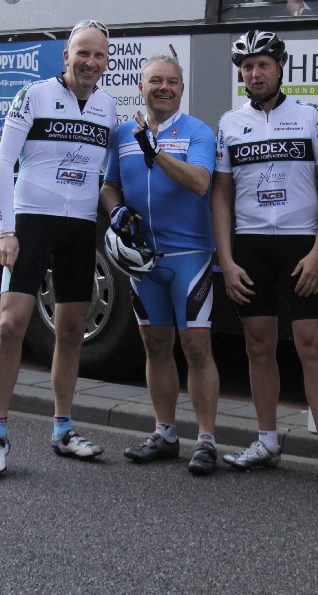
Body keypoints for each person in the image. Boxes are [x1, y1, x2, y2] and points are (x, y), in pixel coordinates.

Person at [0, 19, 118, 478]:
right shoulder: (33, 96)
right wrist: (6, 231)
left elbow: (107, 173)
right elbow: (3, 161)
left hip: (80, 226)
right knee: (10, 325)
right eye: (83, 53)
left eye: (99, 55)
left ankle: (62, 429)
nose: (91, 62)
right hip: (31, 222)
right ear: (66, 56)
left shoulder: (108, 107)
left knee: (72, 329)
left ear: (107, 61)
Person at [212, 30, 318, 490]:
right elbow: (220, 196)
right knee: (257, 345)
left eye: (263, 64)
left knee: (311, 346)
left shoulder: (309, 116)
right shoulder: (230, 123)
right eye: (247, 67)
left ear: (280, 67)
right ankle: (267, 441)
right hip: (250, 246)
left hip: (299, 245)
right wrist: (227, 260)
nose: (255, 73)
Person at [98, 55, 222, 476]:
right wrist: (115, 210)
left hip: (189, 256)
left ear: (182, 89)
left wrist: (155, 150)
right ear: (141, 87)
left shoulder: (197, 131)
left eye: (171, 81)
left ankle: (207, 441)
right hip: (144, 260)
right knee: (154, 345)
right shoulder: (123, 134)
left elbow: (200, 182)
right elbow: (110, 185)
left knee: (197, 348)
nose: (163, 88)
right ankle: (165, 434)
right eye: (155, 81)